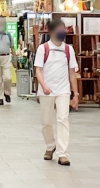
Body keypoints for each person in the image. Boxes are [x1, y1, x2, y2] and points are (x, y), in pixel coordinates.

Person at [33, 17, 79, 165]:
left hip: (63, 90)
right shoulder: (43, 49)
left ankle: (63, 153)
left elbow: (72, 73)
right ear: (51, 32)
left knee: (63, 119)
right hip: (46, 90)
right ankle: (50, 146)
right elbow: (38, 70)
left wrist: (75, 94)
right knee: (46, 122)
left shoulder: (68, 49)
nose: (62, 32)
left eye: (63, 29)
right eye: (59, 30)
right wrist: (44, 86)